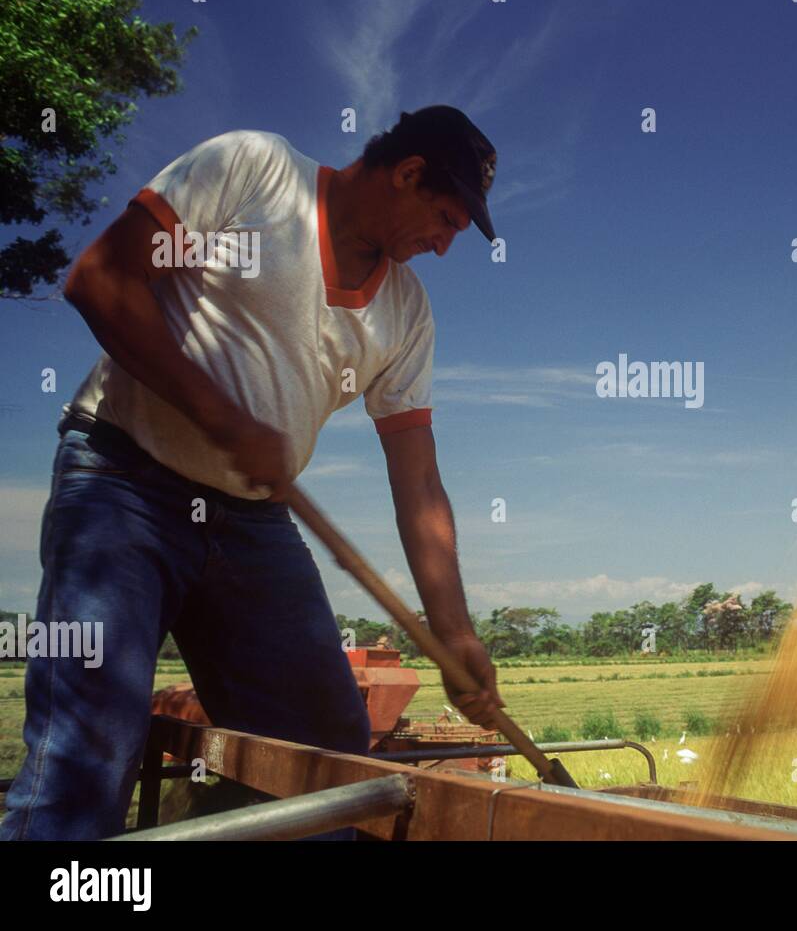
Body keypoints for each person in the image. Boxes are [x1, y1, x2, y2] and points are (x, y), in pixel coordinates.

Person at [0, 106, 504, 840]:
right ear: (408, 173)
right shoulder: (255, 170)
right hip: (122, 479)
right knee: (88, 753)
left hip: (250, 520)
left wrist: (454, 632)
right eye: (447, 218)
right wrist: (227, 419)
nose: (446, 244)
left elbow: (418, 480)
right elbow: (101, 281)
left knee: (327, 754)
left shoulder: (407, 312)